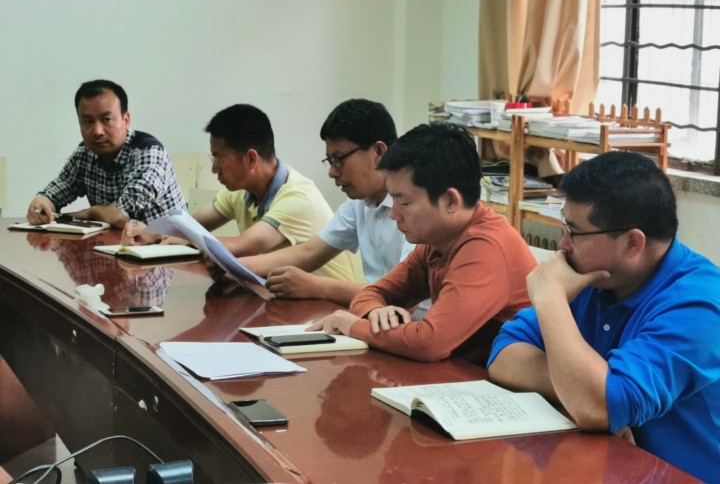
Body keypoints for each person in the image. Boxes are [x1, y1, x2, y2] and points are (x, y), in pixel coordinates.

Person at [486, 151, 720, 483]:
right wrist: (581, 393)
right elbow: (503, 354)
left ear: (632, 243)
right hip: (606, 468)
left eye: (574, 232)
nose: (562, 244)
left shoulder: (699, 306)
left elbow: (599, 407)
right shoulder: (595, 277)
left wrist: (550, 297)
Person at [309, 123, 536, 364]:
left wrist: (354, 326)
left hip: (497, 381)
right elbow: (371, 294)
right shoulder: (436, 242)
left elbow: (430, 342)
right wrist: (376, 313)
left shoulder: (485, 248)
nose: (394, 214)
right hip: (463, 371)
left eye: (404, 202)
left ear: (450, 200)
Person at [126, 103, 359, 283]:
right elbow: (191, 225)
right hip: (282, 295)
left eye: (219, 159)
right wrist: (150, 232)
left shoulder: (297, 197)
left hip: (327, 306)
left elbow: (242, 246)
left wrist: (184, 238)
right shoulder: (241, 190)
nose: (214, 169)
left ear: (251, 158)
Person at [240, 99, 426, 312]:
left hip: (418, 327)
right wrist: (236, 267)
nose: (332, 172)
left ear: (378, 152)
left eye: (339, 159)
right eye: (330, 161)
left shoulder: (415, 205)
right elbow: (309, 252)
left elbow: (402, 296)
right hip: (378, 319)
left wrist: (317, 287)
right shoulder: (359, 204)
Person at [26, 79, 185, 228]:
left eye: (106, 119)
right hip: (113, 243)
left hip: (166, 245)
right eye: (88, 121)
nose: (97, 131)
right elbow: (54, 194)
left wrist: (91, 212)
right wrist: (41, 203)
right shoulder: (85, 154)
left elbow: (121, 217)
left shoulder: (149, 152)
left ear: (126, 120)